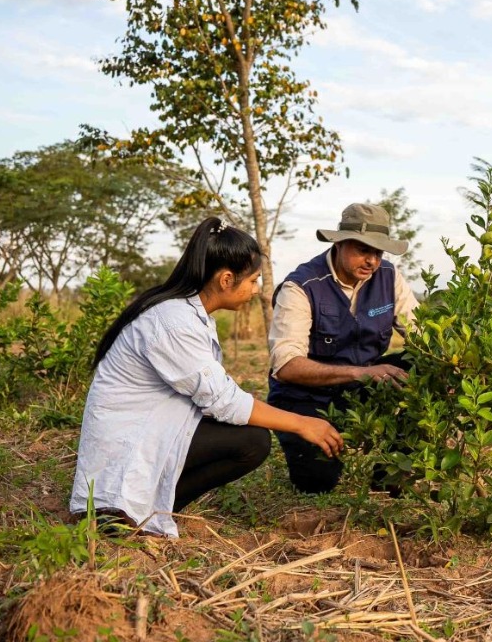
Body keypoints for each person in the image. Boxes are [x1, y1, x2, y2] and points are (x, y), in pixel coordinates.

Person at [70, 218, 344, 537]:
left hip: (157, 430)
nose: (256, 291)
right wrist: (302, 423)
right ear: (226, 279)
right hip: (131, 445)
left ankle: (152, 507)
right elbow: (223, 401)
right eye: (253, 281)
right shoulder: (174, 323)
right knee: (251, 440)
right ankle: (116, 511)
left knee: (250, 439)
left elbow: (217, 394)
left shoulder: (189, 314)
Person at [267, 202, 419, 493]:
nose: (372, 260)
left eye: (378, 252)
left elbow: (423, 335)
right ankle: (316, 448)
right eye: (363, 249)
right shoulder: (301, 287)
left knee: (422, 365)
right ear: (339, 244)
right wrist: (361, 373)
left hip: (360, 389)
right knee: (317, 482)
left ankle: (392, 474)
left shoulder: (388, 277)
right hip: (306, 398)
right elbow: (286, 367)